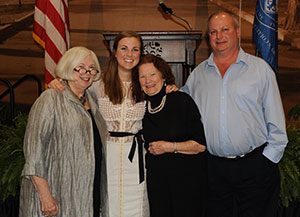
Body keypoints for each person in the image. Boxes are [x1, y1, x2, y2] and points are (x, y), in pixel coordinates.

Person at [180, 11, 288, 217]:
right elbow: (182, 105)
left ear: (237, 32)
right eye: (213, 32)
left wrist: (267, 161)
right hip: (214, 170)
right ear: (208, 37)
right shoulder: (198, 74)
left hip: (255, 167)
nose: (219, 36)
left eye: (225, 29)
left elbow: (276, 119)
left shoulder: (260, 70)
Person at [49, 31, 149, 217]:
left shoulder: (145, 83)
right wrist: (58, 82)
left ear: (140, 54)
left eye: (135, 49)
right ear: (114, 52)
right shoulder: (98, 83)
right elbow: (75, 86)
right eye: (124, 48)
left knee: (134, 206)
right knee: (109, 204)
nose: (129, 54)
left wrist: (170, 88)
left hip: (135, 159)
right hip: (106, 155)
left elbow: (165, 96)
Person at [19, 46, 108, 217]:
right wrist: (45, 196)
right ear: (68, 67)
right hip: (57, 193)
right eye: (80, 67)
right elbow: (34, 150)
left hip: (87, 195)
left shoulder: (93, 102)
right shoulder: (51, 98)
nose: (86, 72)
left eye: (91, 68)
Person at [132, 54, 207, 217]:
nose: (148, 80)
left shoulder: (181, 101)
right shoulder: (140, 107)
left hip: (186, 183)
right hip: (156, 184)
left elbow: (200, 145)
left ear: (163, 75)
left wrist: (169, 146)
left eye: (152, 74)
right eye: (142, 76)